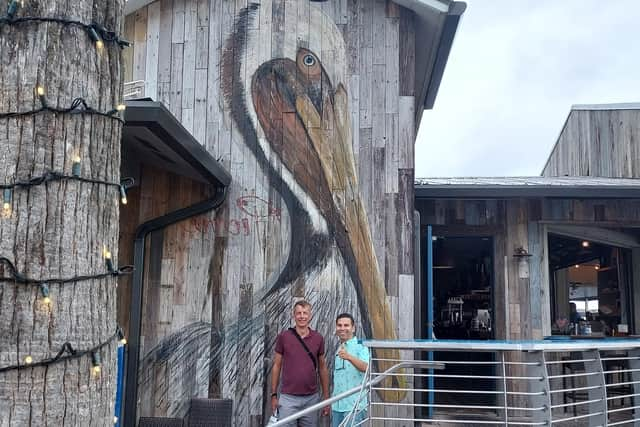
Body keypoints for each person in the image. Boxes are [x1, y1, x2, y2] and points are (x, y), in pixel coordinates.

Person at [271, 300, 330, 426]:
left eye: (305, 313)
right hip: (288, 398)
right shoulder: (284, 337)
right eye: (299, 313)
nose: (302, 316)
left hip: (311, 398)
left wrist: (326, 398)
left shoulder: (318, 338)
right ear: (294, 315)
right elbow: (276, 366)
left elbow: (322, 368)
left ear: (310, 315)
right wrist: (274, 395)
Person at [331, 313, 370, 427]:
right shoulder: (339, 348)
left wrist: (349, 357)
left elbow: (366, 368)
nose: (342, 328)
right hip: (337, 405)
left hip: (354, 406)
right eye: (339, 325)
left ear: (353, 328)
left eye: (346, 325)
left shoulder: (361, 346)